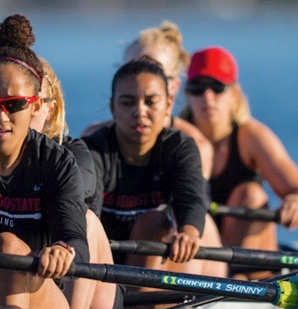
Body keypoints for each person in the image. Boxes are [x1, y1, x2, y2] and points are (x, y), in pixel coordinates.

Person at [0, 14, 117, 309]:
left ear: (36, 106)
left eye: (13, 105)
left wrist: (64, 249)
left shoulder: (56, 161)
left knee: (6, 247)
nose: (0, 117)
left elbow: (75, 237)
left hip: (40, 294)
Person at [180, 46, 298, 279]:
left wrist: (297, 201)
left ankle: (242, 278)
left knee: (250, 194)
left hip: (251, 262)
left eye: (217, 87)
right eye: (198, 88)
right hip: (202, 252)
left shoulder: (252, 136)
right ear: (186, 94)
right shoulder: (176, 135)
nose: (207, 97)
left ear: (234, 93)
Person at [82, 57, 207, 278]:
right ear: (113, 108)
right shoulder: (93, 150)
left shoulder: (180, 148)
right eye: (128, 102)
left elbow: (191, 199)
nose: (140, 112)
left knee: (154, 221)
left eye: (151, 101)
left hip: (155, 263)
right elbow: (87, 212)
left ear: (168, 105)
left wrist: (188, 232)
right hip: (102, 264)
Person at [29, 57, 120, 309]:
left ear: (51, 110)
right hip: (34, 284)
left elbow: (75, 198)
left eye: (33, 104)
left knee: (87, 220)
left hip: (87, 294)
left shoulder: (73, 154)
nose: (19, 113)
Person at [81, 21, 213, 181]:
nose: (139, 80)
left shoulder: (198, 146)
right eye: (130, 70)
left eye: (153, 71)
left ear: (174, 86)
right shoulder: (93, 138)